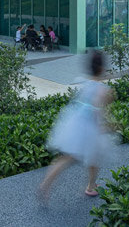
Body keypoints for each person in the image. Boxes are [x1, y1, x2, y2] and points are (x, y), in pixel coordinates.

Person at [39, 50, 115, 201]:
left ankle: (46, 184)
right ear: (102, 69)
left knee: (67, 158)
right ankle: (91, 186)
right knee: (93, 157)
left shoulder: (84, 82)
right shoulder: (103, 90)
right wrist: (107, 125)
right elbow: (99, 112)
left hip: (74, 124)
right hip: (89, 127)